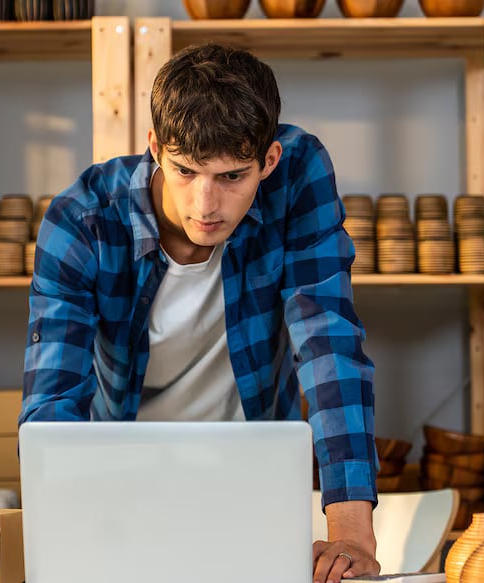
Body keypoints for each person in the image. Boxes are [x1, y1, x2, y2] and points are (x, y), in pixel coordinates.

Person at [20, 43, 379, 583]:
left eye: (232, 177)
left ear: (269, 161)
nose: (205, 204)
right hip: (121, 491)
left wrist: (351, 532)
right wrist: (67, 536)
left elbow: (328, 339)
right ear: (155, 149)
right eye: (185, 171)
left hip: (255, 482)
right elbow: (51, 407)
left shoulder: (298, 173)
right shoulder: (84, 220)